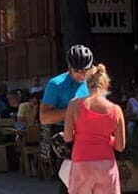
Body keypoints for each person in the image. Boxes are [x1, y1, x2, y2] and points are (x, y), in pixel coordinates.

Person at [63, 64, 126, 194]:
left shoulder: (74, 105)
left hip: (81, 161)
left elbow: (67, 137)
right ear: (106, 85)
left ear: (86, 83)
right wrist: (108, 139)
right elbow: (120, 146)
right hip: (106, 163)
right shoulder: (116, 110)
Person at [40, 44, 93, 194]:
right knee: (69, 182)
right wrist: (71, 110)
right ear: (69, 67)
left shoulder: (93, 82)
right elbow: (44, 117)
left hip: (90, 134)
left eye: (85, 70)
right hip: (65, 135)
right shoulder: (56, 84)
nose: (82, 75)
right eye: (77, 71)